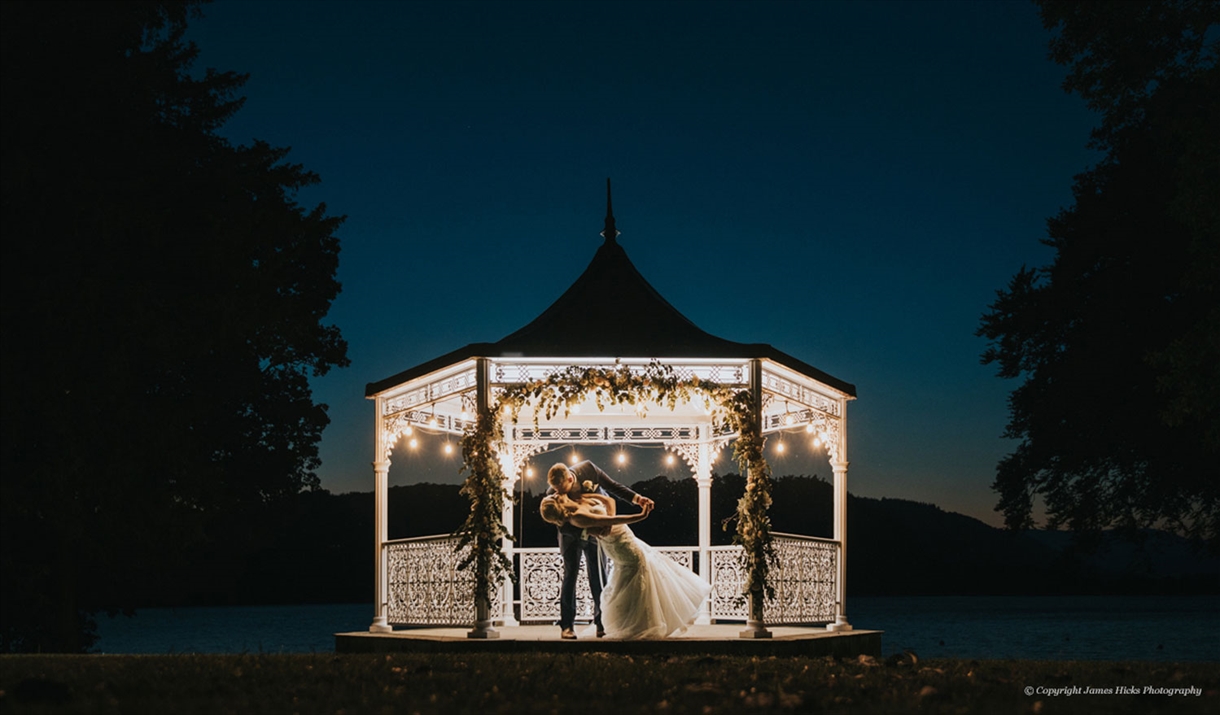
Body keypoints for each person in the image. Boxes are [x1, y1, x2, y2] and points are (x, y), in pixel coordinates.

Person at [541, 490, 712, 640]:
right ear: (558, 505)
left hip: (625, 537)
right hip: (619, 544)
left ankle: (636, 623)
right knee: (637, 573)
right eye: (553, 497)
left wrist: (595, 502)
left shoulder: (578, 499)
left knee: (638, 576)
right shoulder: (577, 517)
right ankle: (638, 624)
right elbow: (614, 519)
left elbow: (609, 501)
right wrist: (640, 516)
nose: (554, 493)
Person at [544, 460, 654, 640]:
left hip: (599, 529)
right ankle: (567, 626)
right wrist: (587, 529)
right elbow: (559, 523)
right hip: (571, 535)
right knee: (570, 575)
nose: (557, 493)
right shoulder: (552, 493)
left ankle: (601, 622)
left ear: (570, 479)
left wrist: (637, 499)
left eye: (560, 489)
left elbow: (612, 487)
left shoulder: (588, 470)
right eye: (555, 490)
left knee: (598, 574)